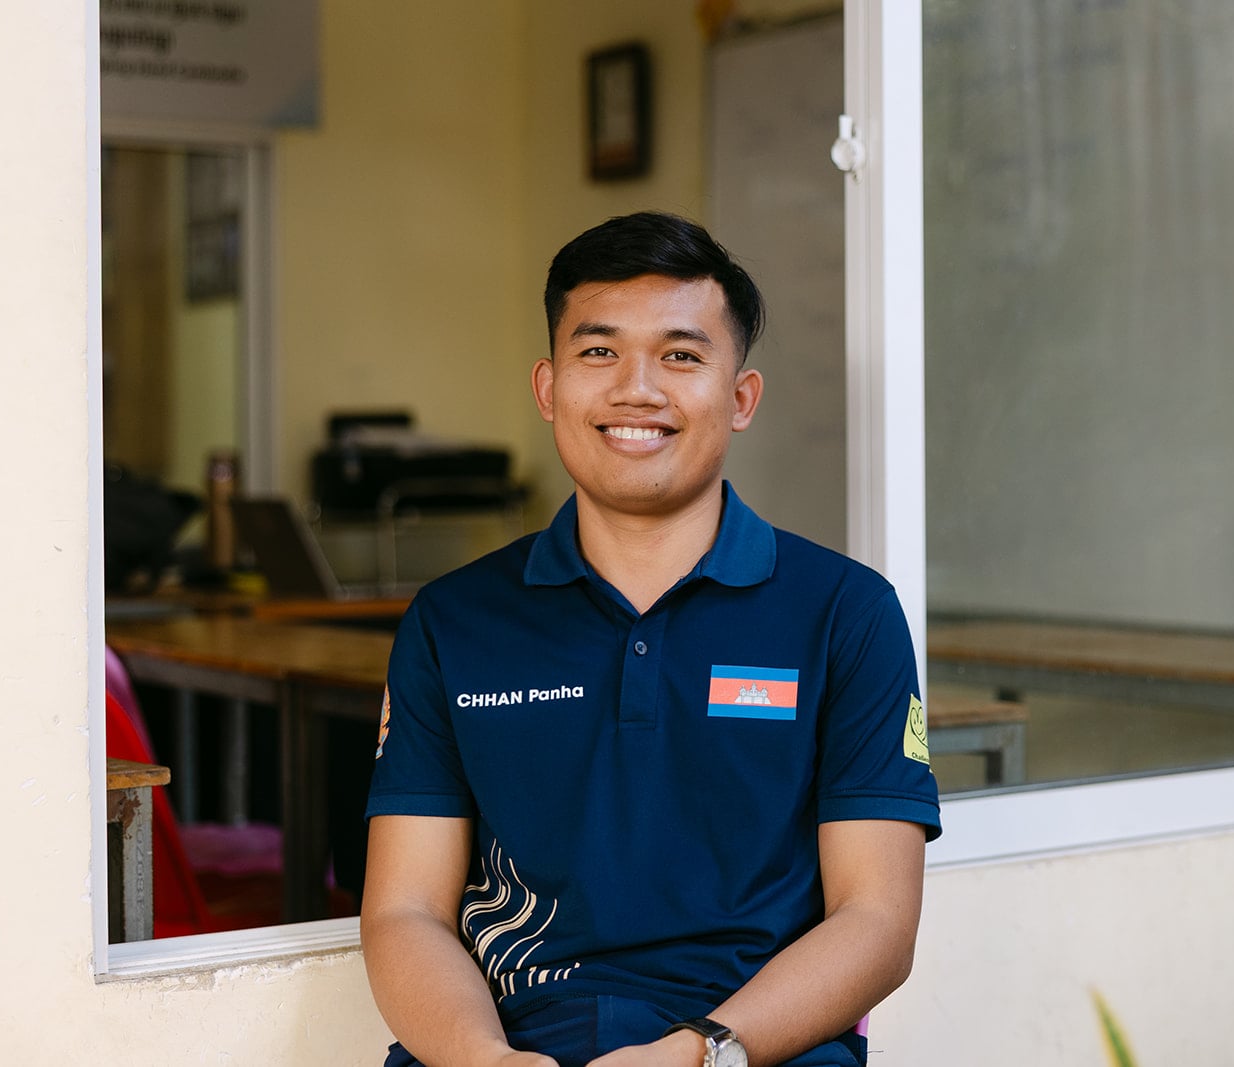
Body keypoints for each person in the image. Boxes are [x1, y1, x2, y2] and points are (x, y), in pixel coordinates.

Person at [361, 212, 941, 1067]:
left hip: (747, 1046)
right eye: (599, 351)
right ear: (549, 388)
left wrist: (700, 1052)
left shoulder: (846, 614)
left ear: (740, 398)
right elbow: (403, 910)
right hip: (510, 1044)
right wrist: (484, 1058)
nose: (637, 389)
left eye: (681, 355)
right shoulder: (453, 620)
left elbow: (878, 920)